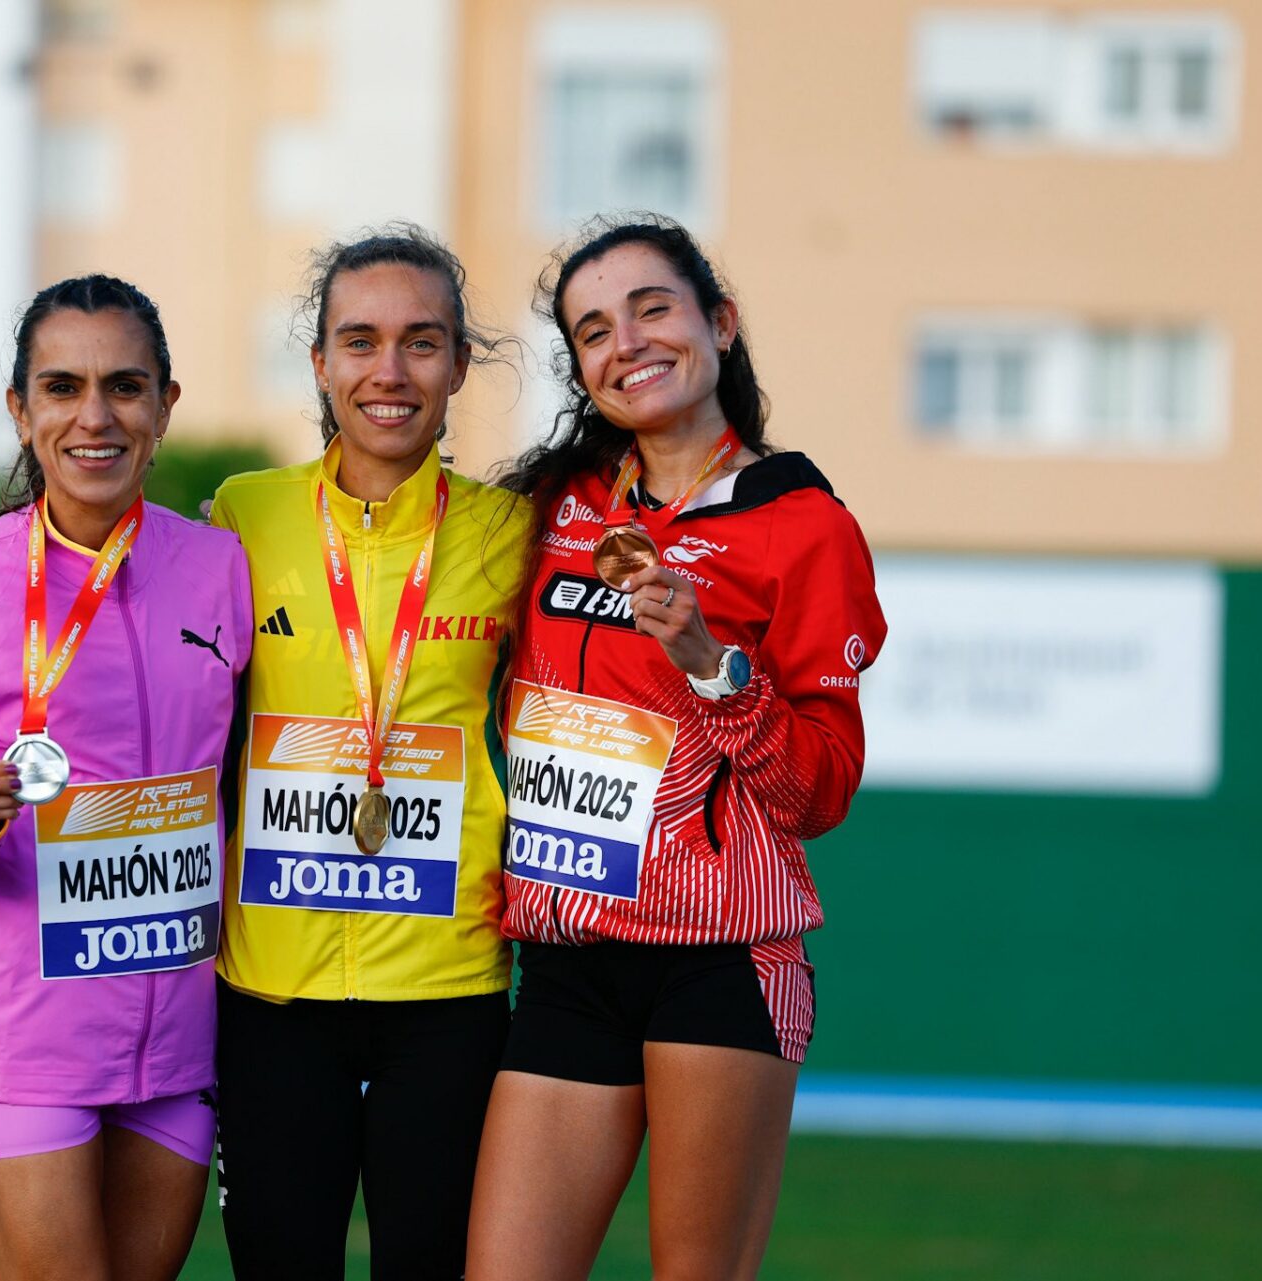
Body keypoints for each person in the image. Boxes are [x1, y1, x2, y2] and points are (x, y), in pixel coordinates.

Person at [467, 217, 888, 1281]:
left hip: (719, 965)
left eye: (653, 308)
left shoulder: (802, 523)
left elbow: (821, 790)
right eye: (594, 330)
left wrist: (709, 662)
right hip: (565, 964)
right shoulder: (557, 506)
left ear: (721, 324)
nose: (627, 342)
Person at [0, 275, 251, 1281]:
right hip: (24, 1039)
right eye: (63, 386)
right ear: (20, 412)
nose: (95, 415)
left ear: (165, 405)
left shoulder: (222, 569)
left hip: (179, 1038)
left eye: (125, 386)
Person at [206, 225, 531, 1279]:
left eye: (421, 342)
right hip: (270, 991)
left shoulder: (512, 533)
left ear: (458, 367)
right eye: (360, 340)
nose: (389, 371)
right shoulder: (242, 515)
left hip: (448, 990)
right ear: (319, 364)